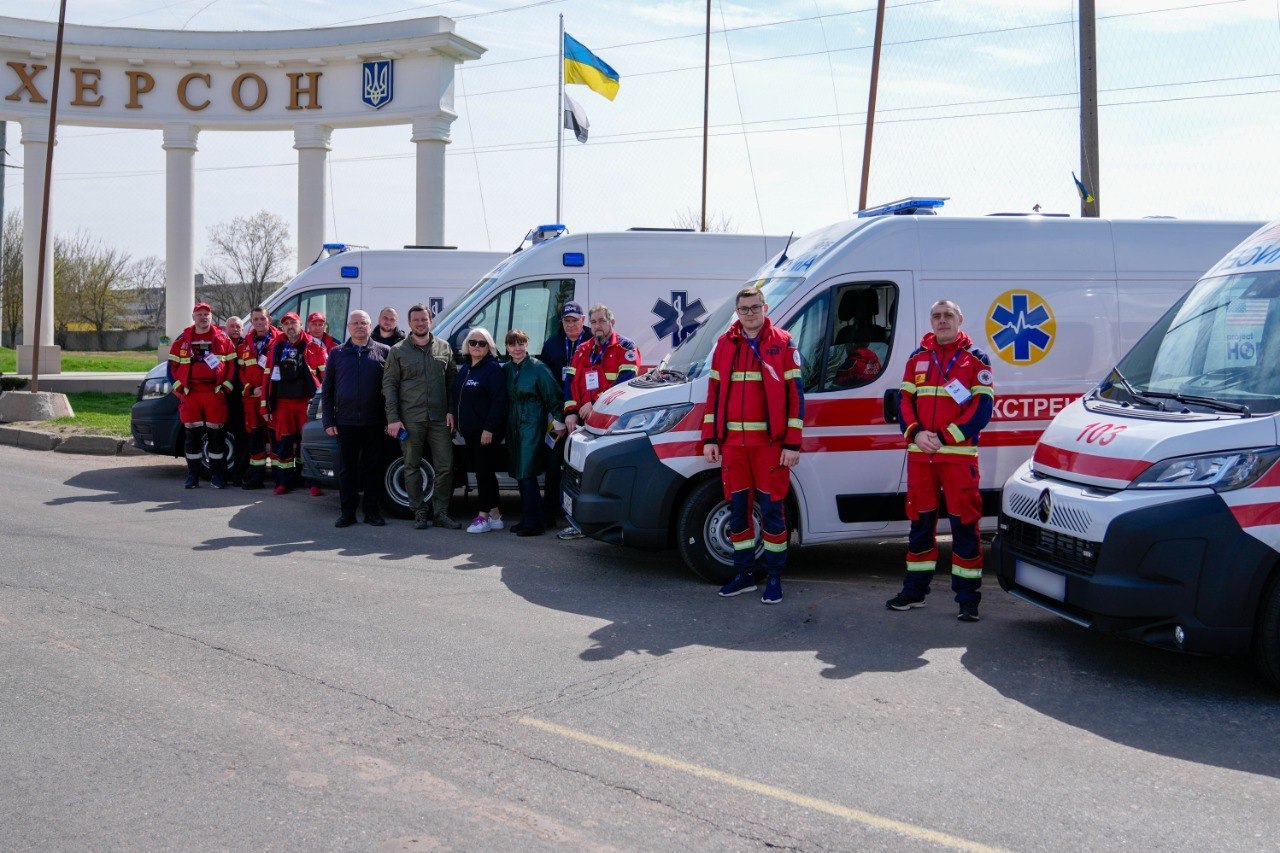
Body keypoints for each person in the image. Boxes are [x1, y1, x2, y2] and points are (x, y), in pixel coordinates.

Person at [888, 299, 994, 622]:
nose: (942, 320)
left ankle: (967, 599)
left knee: (965, 527)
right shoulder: (917, 357)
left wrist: (945, 437)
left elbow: (982, 411)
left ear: (960, 319)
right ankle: (915, 591)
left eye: (948, 315)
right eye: (937, 316)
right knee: (919, 525)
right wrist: (916, 433)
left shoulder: (976, 360)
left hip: (958, 459)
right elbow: (904, 402)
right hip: (922, 457)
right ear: (931, 321)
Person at [702, 287, 804, 605]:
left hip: (770, 447)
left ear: (765, 307)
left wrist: (793, 443)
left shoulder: (783, 342)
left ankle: (774, 578)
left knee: (773, 513)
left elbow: (795, 397)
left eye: (755, 307)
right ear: (737, 311)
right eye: (744, 309)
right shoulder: (724, 344)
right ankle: (744, 575)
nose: (750, 314)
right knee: (737, 515)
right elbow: (714, 394)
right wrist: (710, 438)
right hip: (733, 446)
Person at [558, 303, 642, 540]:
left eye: (602, 321)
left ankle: (600, 524)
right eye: (593, 322)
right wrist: (571, 412)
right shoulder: (583, 349)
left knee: (602, 479)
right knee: (578, 475)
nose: (597, 326)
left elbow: (626, 383)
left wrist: (594, 402)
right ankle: (581, 523)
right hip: (585, 424)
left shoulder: (625, 347)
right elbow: (570, 384)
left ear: (611, 322)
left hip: (610, 426)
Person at [384, 303, 462, 530]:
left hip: (439, 419)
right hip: (411, 419)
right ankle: (419, 512)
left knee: (446, 466)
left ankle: (440, 513)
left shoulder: (444, 348)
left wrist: (450, 411)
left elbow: (451, 384)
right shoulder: (398, 351)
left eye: (424, 320)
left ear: (430, 321)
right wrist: (393, 418)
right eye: (416, 320)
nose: (420, 323)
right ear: (409, 324)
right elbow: (389, 386)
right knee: (411, 466)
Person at [321, 310, 391, 528]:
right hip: (346, 422)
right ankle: (347, 513)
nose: (360, 326)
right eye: (355, 323)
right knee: (347, 470)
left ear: (370, 326)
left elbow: (391, 389)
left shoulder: (384, 352)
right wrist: (329, 420)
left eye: (364, 323)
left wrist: (390, 419)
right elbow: (328, 390)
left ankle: (372, 512)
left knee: (373, 469)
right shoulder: (336, 353)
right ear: (348, 327)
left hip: (374, 422)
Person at [168, 302, 237, 489]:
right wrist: (179, 389)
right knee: (192, 438)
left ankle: (217, 476)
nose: (203, 317)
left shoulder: (222, 338)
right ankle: (193, 476)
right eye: (199, 314)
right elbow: (171, 368)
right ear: (193, 317)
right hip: (191, 395)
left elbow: (232, 366)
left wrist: (225, 388)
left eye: (206, 314)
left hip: (214, 395)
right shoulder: (182, 339)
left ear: (211, 317)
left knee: (216, 438)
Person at [505, 328, 564, 536]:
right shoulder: (508, 369)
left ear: (527, 344)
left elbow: (554, 395)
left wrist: (559, 421)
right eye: (512, 344)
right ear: (507, 347)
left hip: (533, 426)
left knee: (527, 473)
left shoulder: (539, 369)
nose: (517, 348)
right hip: (513, 426)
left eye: (521, 343)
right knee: (520, 474)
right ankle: (530, 517)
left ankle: (535, 523)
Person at [262, 311, 328, 496]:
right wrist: (265, 405)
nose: (290, 326)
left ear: (301, 325)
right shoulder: (276, 347)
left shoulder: (314, 347)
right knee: (284, 444)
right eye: (286, 324)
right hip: (283, 404)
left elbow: (326, 378)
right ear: (282, 327)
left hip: (307, 404)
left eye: (294, 322)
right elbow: (267, 378)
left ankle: (313, 482)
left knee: (307, 443)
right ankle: (285, 482)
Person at [538, 301, 589, 527]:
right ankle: (549, 512)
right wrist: (556, 414)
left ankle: (581, 515)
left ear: (583, 320)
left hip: (586, 413)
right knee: (553, 461)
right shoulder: (552, 344)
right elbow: (545, 380)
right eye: (566, 321)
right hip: (558, 413)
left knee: (582, 464)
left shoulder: (592, 342)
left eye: (574, 321)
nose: (570, 325)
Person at [453, 327, 508, 534]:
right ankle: (495, 515)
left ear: (489, 347)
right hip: (469, 432)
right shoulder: (467, 367)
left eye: (482, 343)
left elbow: (499, 401)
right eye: (473, 342)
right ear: (467, 345)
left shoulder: (492, 369)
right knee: (484, 473)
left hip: (485, 433)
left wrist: (489, 428)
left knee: (483, 474)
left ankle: (483, 516)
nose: (477, 346)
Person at [237, 307, 280, 490]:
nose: (259, 322)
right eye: (256, 319)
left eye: (262, 318)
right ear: (252, 321)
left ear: (269, 319)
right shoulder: (244, 345)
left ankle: (283, 478)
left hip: (273, 400)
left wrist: (269, 389)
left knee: (278, 440)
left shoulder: (280, 341)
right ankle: (257, 478)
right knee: (255, 440)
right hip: (252, 400)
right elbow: (239, 373)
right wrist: (252, 389)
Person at [222, 316, 249, 486]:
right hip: (223, 397)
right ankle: (221, 474)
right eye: (232, 326)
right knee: (220, 437)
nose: (235, 329)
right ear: (226, 329)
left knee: (242, 437)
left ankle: (239, 474)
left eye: (238, 326)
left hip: (242, 398)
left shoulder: (248, 344)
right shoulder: (220, 344)